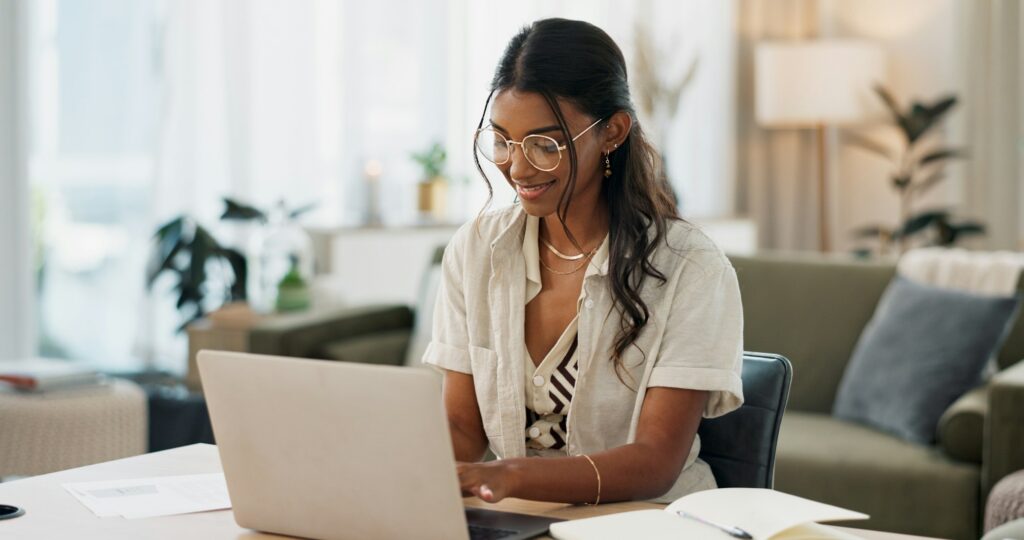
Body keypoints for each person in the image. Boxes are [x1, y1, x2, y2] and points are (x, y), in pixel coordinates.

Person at [423, 18, 743, 506]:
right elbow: (463, 427)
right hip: (519, 513)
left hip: (647, 520)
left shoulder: (692, 267)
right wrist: (386, 461)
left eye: (545, 144)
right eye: (503, 140)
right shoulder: (475, 251)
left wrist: (513, 477)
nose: (518, 166)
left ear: (612, 131)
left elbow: (655, 462)